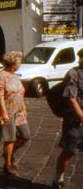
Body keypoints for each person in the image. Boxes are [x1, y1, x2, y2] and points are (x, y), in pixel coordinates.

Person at [0, 51, 29, 177]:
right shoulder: (1, 75)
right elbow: (0, 96)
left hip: (18, 111)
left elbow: (21, 92)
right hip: (7, 110)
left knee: (25, 135)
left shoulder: (15, 76)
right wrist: (3, 113)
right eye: (19, 62)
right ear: (13, 63)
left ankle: (8, 153)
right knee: (10, 138)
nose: (20, 64)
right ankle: (8, 164)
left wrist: (24, 107)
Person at [53, 50, 83, 189]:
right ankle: (58, 179)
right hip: (74, 120)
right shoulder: (73, 74)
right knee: (69, 150)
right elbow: (71, 99)